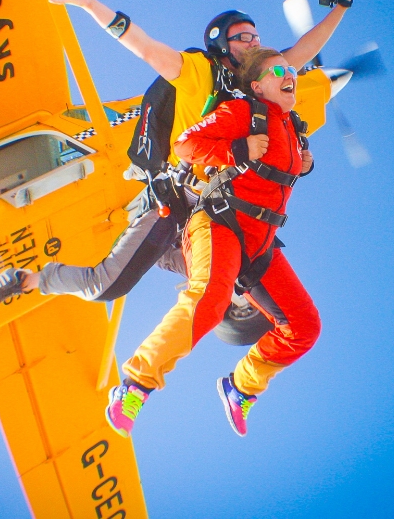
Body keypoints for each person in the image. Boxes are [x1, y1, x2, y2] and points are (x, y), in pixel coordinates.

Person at [0, 0, 351, 313]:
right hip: (176, 197)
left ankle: (218, 299)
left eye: (257, 36)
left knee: (235, 272)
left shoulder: (262, 83)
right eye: (244, 37)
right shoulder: (197, 72)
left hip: (213, 207)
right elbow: (143, 46)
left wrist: (340, 9)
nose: (255, 42)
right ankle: (28, 279)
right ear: (222, 43)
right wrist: (90, 4)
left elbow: (303, 51)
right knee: (104, 287)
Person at [106, 47, 318, 438]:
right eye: (280, 70)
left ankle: (240, 388)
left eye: (293, 70)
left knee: (304, 326)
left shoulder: (290, 125)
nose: (291, 74)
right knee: (208, 300)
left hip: (260, 241)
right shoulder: (243, 111)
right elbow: (186, 146)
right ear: (256, 85)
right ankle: (135, 385)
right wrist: (237, 149)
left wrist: (304, 163)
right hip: (220, 221)